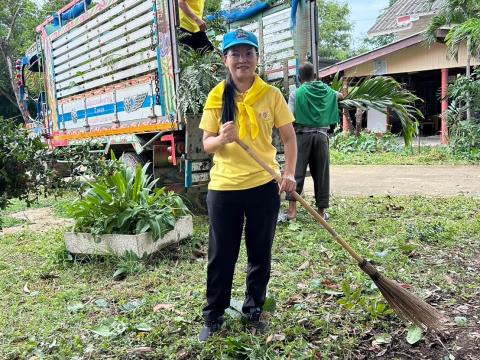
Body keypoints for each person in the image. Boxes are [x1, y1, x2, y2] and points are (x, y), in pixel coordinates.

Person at [198, 29, 297, 341]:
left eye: (248, 53)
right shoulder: (217, 95)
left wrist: (290, 173)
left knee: (260, 252)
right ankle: (214, 314)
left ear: (257, 58)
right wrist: (222, 138)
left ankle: (253, 309)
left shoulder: (272, 95)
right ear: (226, 60)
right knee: (221, 254)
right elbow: (206, 144)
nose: (242, 59)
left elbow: (289, 137)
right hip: (224, 188)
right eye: (235, 53)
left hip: (263, 184)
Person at [286, 62, 342, 220]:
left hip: (302, 136)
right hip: (322, 137)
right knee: (321, 173)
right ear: (315, 77)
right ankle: (321, 212)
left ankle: (292, 211)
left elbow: (289, 116)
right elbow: (341, 96)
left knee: (296, 173)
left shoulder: (295, 93)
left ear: (299, 77)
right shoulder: (327, 91)